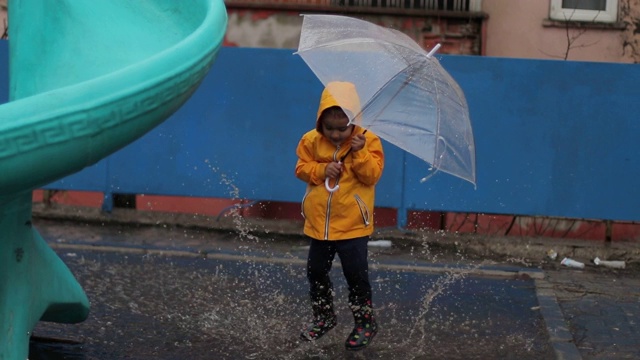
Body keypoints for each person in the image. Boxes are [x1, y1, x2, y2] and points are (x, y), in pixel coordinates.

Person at [294, 81, 384, 351]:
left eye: (342, 128)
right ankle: (324, 316)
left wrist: (359, 153)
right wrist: (322, 171)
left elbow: (372, 176)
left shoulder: (368, 140)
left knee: (355, 274)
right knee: (315, 271)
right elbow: (301, 168)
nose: (335, 134)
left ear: (354, 122)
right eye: (329, 128)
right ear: (320, 121)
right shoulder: (310, 140)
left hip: (353, 225)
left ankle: (364, 322)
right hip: (319, 225)